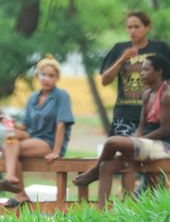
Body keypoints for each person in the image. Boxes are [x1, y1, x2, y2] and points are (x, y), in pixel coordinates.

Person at [73, 55, 170, 209]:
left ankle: (93, 172)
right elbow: (140, 126)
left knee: (112, 141)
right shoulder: (146, 94)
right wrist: (134, 140)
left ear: (158, 72)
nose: (141, 73)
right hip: (146, 142)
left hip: (163, 145)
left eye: (146, 69)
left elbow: (165, 129)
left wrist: (139, 141)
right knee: (107, 166)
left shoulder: (166, 95)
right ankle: (100, 212)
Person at [100, 11, 170, 194]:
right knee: (125, 159)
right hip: (125, 113)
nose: (132, 31)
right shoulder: (119, 48)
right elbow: (105, 80)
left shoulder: (160, 48)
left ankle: (145, 199)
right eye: (129, 27)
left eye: (137, 26)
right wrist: (122, 58)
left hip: (154, 116)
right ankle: (127, 199)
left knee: (149, 164)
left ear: (147, 27)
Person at [0, 55, 75, 208]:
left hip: (48, 142)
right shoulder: (33, 97)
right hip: (32, 138)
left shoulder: (61, 96)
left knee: (9, 148)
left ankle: (14, 183)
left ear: (57, 77)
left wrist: (56, 152)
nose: (46, 78)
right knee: (10, 141)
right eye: (43, 74)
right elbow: (25, 126)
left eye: (51, 75)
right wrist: (8, 120)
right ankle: (20, 193)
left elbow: (61, 125)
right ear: (37, 75)